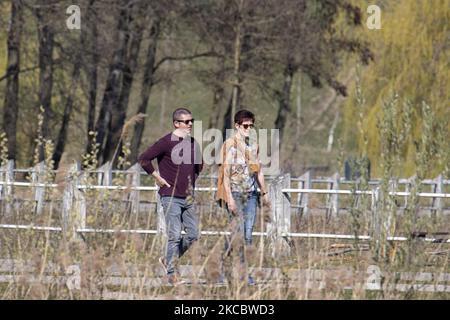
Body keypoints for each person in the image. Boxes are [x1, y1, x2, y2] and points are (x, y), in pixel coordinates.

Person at [138, 107, 203, 285]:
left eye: (192, 121)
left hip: (188, 198)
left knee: (193, 235)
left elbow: (199, 166)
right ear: (176, 123)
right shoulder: (166, 142)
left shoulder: (193, 143)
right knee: (174, 234)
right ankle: (171, 274)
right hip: (170, 195)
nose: (190, 124)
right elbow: (144, 159)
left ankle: (168, 260)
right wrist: (157, 178)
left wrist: (190, 184)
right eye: (187, 121)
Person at [216, 109, 270, 285]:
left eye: (251, 125)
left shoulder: (253, 145)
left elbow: (258, 171)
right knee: (236, 234)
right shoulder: (229, 145)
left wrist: (265, 192)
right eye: (245, 125)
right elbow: (225, 173)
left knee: (247, 235)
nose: (249, 128)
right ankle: (221, 269)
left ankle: (243, 274)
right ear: (237, 125)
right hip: (236, 193)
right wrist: (229, 198)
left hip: (252, 195)